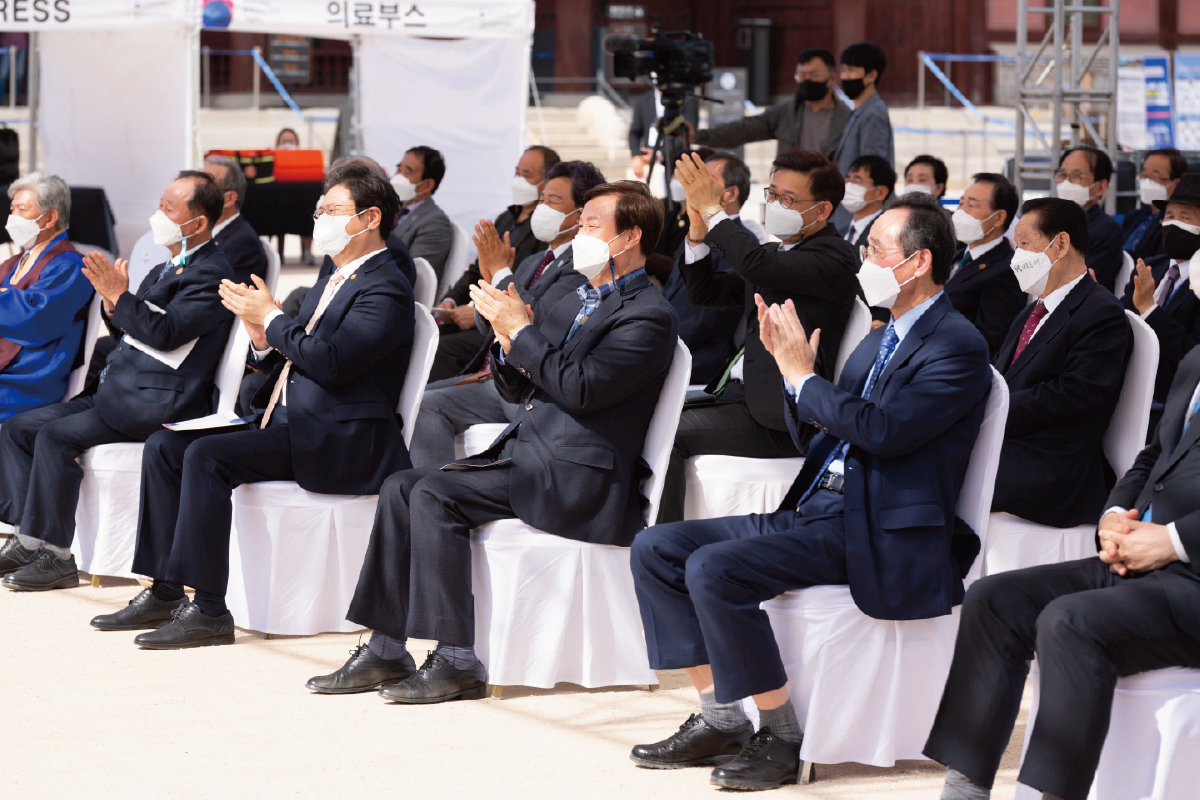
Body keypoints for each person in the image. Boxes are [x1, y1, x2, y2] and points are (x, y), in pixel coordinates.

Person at [629, 193, 992, 791]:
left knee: (715, 569)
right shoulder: (882, 335)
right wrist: (792, 375)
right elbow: (826, 431)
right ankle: (722, 717)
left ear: (920, 261)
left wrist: (804, 377)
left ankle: (782, 735)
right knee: (656, 548)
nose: (863, 261)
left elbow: (885, 432)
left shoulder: (957, 343)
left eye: (875, 250)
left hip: (875, 525)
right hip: (819, 505)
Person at [307, 181, 678, 702]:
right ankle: (386, 648)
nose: (579, 235)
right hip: (533, 456)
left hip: (581, 480)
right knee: (401, 486)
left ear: (630, 236)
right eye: (581, 224)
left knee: (433, 494)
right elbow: (520, 388)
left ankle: (457, 659)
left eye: (592, 225)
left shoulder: (648, 315)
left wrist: (522, 333)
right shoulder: (575, 296)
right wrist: (507, 343)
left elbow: (582, 390)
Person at [87, 162, 417, 648]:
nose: (320, 219)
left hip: (341, 439)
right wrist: (262, 338)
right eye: (319, 210)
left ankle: (209, 609)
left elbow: (331, 364)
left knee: (206, 456)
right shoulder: (336, 273)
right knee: (165, 446)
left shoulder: (386, 285)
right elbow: (299, 351)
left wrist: (274, 319)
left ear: (369, 219)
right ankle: (164, 589)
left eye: (332, 210)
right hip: (291, 421)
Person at [924, 344, 1200, 800]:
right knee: (995, 600)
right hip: (1138, 558)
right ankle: (965, 791)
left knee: (1068, 621)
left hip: (1190, 578)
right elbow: (1156, 455)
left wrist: (1173, 541)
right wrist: (1114, 514)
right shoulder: (1195, 357)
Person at [0, 171, 234, 589]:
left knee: (53, 436)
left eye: (168, 209)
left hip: (156, 400)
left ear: (198, 223)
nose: (157, 215)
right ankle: (28, 537)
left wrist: (120, 296)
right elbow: (132, 331)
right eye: (159, 205)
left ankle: (56, 556)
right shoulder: (167, 267)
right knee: (19, 428)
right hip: (121, 386)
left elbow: (167, 333)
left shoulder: (211, 273)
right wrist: (114, 303)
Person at [656, 149, 859, 524]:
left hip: (783, 417)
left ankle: (662, 540)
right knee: (649, 412)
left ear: (823, 211)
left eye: (788, 199)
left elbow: (756, 265)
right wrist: (698, 231)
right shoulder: (774, 253)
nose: (776, 205)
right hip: (739, 395)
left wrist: (713, 210)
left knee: (667, 435)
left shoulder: (835, 256)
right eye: (773, 194)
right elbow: (706, 293)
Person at [407, 159, 604, 467]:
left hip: (527, 387)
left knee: (426, 402)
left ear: (580, 214)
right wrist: (489, 283)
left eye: (553, 201)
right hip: (494, 374)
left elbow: (538, 322)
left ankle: (437, 489)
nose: (542, 207)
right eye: (541, 198)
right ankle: (428, 486)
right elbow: (486, 325)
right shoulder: (535, 260)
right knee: (416, 400)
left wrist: (500, 272)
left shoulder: (583, 264)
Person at [991, 197, 1131, 530]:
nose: (1017, 257)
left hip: (1052, 464)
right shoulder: (1032, 310)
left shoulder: (1102, 312)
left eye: (1025, 244)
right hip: (1008, 442)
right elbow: (999, 373)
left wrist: (992, 410)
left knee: (936, 463)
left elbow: (1073, 393)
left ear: (1061, 244)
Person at [428, 145, 560, 382]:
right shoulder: (506, 218)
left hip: (503, 323)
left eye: (527, 174)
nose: (518, 179)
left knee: (440, 349)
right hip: (483, 314)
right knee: (431, 333)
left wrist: (478, 312)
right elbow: (478, 268)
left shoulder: (545, 229)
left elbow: (528, 289)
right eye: (517, 172)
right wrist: (452, 300)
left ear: (547, 182)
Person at [0, 173, 94, 422]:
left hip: (25, 379)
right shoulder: (13, 263)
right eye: (12, 209)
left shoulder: (71, 265)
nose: (13, 218)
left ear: (50, 218)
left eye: (22, 209)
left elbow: (36, 319)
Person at [663, 151, 753, 385]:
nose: (695, 188)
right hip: (667, 343)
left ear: (730, 193)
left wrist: (666, 342)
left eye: (706, 182)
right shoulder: (696, 230)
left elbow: (715, 316)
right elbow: (671, 290)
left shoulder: (742, 242)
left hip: (699, 356)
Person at [1121, 172, 1200, 429]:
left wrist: (1149, 309)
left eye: (1185, 217)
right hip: (1124, 391)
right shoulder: (1150, 267)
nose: (1173, 223)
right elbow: (1121, 320)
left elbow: (1193, 354)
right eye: (1169, 216)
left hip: (1171, 405)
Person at [693, 48, 850, 160]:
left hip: (831, 191)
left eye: (814, 74)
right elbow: (744, 130)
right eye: (802, 74)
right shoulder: (786, 113)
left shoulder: (848, 118)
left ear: (832, 78)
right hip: (791, 191)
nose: (807, 80)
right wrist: (698, 135)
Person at [945, 173, 1025, 355]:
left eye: (972, 205)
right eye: (961, 203)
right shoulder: (952, 255)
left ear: (999, 217)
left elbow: (990, 341)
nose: (961, 212)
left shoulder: (1007, 270)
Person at [1053, 146, 1123, 292]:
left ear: (1100, 187)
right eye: (1062, 175)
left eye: (1076, 176)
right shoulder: (1048, 221)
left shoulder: (1106, 230)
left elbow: (1084, 281)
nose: (1066, 183)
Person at [202, 154, 268, 286]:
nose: (195, 193)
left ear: (229, 198)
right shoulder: (204, 232)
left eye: (205, 187)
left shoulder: (242, 244)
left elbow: (219, 294)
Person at [392, 145, 454, 282]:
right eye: (399, 169)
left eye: (407, 172)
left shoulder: (435, 222)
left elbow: (414, 275)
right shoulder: (394, 209)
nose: (398, 177)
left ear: (427, 185)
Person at [831, 42, 895, 175]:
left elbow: (871, 168)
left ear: (871, 76)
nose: (845, 76)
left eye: (851, 71)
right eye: (843, 70)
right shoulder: (859, 110)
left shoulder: (873, 114)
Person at [1121, 148, 1187, 265]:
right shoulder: (1133, 216)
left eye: (1155, 176)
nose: (1147, 182)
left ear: (1176, 183)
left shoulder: (1177, 224)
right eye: (1144, 175)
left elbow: (1160, 263)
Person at [273, 128, 314, 265]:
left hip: (300, 203)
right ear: (278, 143)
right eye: (284, 141)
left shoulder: (305, 160)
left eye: (291, 141)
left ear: (297, 143)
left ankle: (307, 252)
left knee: (310, 209)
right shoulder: (271, 160)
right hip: (278, 205)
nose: (287, 144)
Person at [841, 154, 895, 257]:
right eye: (848, 180)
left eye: (857, 180)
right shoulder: (840, 233)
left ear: (880, 192)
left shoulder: (888, 234)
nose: (849, 186)